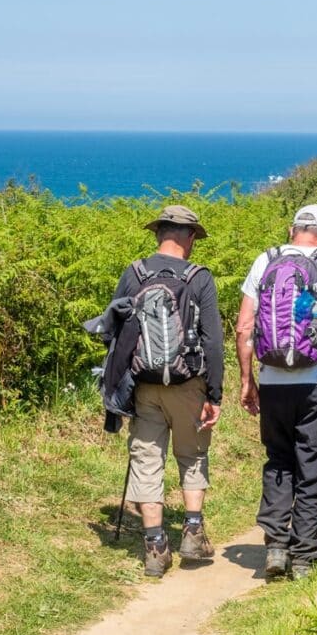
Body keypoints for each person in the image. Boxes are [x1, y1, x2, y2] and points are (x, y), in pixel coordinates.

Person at [235, 205, 317, 581]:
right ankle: (306, 554)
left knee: (278, 460)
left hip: (275, 380)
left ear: (293, 230)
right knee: (312, 465)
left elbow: (244, 328)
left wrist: (248, 381)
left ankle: (276, 546)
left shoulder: (266, 260)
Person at [110, 205, 225, 578]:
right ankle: (192, 532)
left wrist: (118, 388)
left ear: (158, 232)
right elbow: (213, 341)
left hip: (144, 386)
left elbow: (115, 331)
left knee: (146, 459)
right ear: (190, 236)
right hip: (189, 383)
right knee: (191, 455)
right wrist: (215, 394)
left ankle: (155, 547)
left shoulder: (135, 273)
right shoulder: (199, 277)